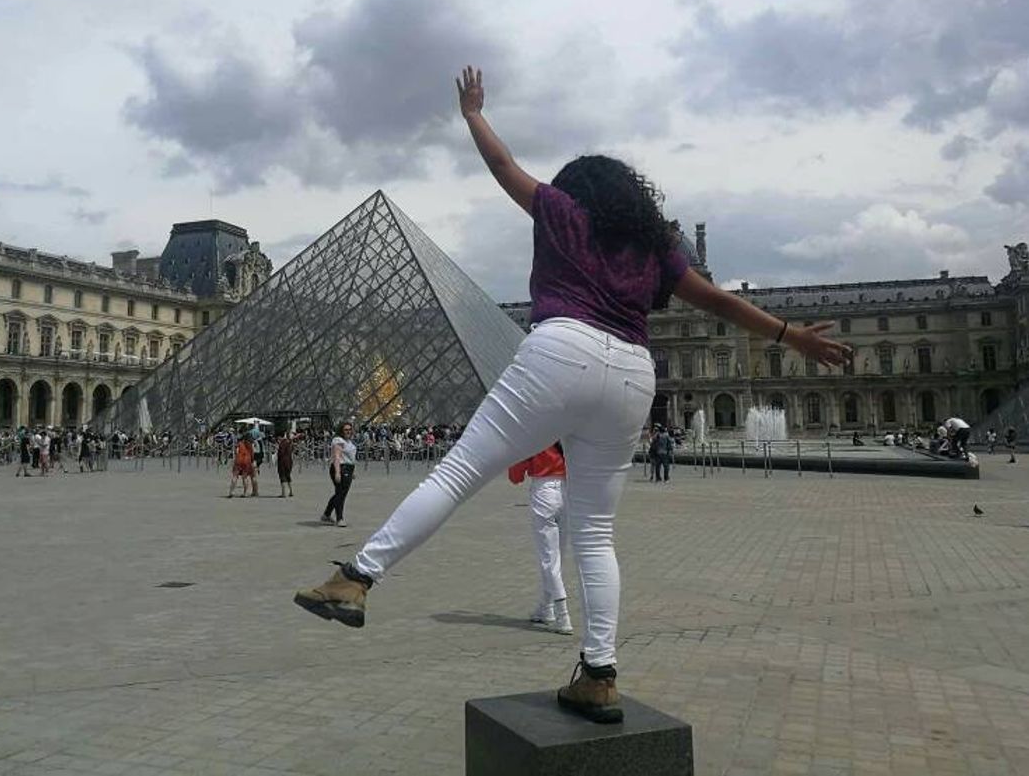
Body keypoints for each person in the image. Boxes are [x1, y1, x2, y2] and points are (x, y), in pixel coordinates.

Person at [293, 66, 851, 724]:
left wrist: (473, 113)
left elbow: (502, 165)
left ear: (577, 188)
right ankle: (599, 671)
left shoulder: (562, 211)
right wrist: (791, 336)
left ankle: (356, 578)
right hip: (633, 375)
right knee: (593, 531)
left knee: (458, 472)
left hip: (562, 349)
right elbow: (720, 300)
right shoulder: (656, 244)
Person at [508, 445, 573, 635]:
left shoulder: (537, 433)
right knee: (558, 556)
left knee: (549, 559)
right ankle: (546, 607)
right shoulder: (566, 432)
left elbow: (515, 476)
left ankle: (563, 615)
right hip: (567, 489)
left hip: (544, 489)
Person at [320, 422, 357, 527]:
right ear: (341, 430)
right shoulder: (338, 440)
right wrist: (337, 472)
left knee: (340, 493)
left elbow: (351, 458)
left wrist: (353, 471)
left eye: (350, 429)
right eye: (346, 429)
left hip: (348, 468)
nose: (348, 431)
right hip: (341, 467)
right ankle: (339, 518)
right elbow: (337, 457)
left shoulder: (349, 441)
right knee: (341, 494)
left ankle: (326, 514)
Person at [277, 432, 295, 498]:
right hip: (289, 461)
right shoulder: (290, 443)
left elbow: (281, 453)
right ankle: (291, 491)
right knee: (288, 476)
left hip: (283, 461)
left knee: (282, 476)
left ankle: (283, 493)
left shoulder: (283, 443)